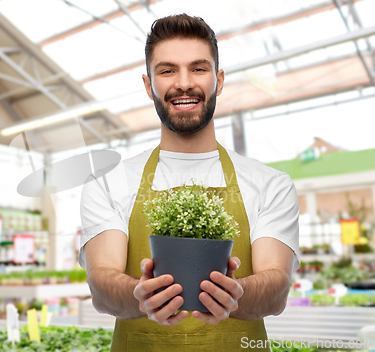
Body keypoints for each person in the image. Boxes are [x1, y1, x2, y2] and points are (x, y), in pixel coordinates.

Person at [79, 14, 299, 351]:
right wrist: (139, 297)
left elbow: (277, 287)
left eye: (198, 68)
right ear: (149, 85)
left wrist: (236, 296)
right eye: (167, 70)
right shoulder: (108, 183)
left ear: (218, 80)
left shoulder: (270, 183)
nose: (184, 83)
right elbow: (101, 282)